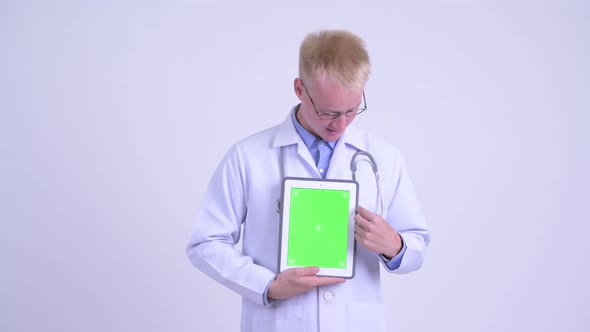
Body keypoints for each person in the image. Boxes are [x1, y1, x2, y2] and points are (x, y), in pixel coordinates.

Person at [186, 29, 430, 332]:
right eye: (328, 112)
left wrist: (394, 245)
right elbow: (205, 243)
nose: (340, 124)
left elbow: (416, 244)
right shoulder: (248, 156)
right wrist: (268, 285)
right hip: (279, 322)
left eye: (352, 111)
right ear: (300, 89)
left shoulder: (384, 157)